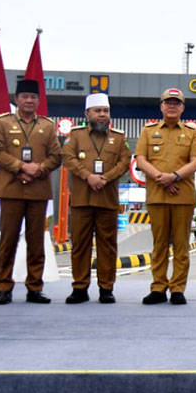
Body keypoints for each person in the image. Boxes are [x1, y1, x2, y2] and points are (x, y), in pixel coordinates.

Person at [0, 79, 62, 305]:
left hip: (38, 190)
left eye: (33, 97)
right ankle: (4, 287)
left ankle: (35, 287)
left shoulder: (48, 126)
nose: (29, 101)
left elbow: (56, 156)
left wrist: (38, 169)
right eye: (24, 97)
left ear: (38, 101)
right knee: (8, 240)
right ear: (16, 99)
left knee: (36, 241)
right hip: (10, 189)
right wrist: (21, 167)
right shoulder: (2, 122)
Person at [135, 88, 196, 305]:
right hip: (157, 195)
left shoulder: (192, 132)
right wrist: (160, 178)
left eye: (176, 103)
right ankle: (158, 287)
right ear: (161, 105)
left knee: (182, 245)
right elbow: (141, 160)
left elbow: (195, 162)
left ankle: (177, 288)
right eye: (168, 102)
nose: (172, 106)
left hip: (182, 197)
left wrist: (173, 177)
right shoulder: (148, 131)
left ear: (182, 107)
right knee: (159, 244)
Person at [61, 94, 131, 304]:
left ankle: (106, 288)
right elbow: (68, 158)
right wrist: (88, 177)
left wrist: (105, 178)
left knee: (107, 246)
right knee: (80, 245)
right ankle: (80, 287)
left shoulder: (118, 138)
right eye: (97, 111)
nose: (102, 115)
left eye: (105, 111)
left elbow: (124, 161)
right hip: (82, 200)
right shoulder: (75, 136)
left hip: (107, 201)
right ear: (87, 114)